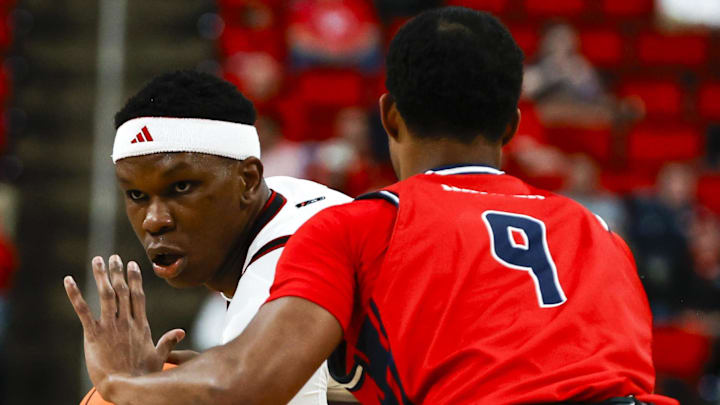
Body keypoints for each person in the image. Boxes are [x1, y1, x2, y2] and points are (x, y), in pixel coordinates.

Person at [64, 8, 677, 405]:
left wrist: (120, 383)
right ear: (513, 124)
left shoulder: (360, 224)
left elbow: (242, 386)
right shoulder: (597, 228)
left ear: (388, 115)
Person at [73, 70, 352, 404]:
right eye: (136, 195)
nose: (154, 220)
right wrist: (213, 370)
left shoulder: (278, 271)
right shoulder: (298, 198)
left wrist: (118, 384)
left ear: (247, 180)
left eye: (181, 187)